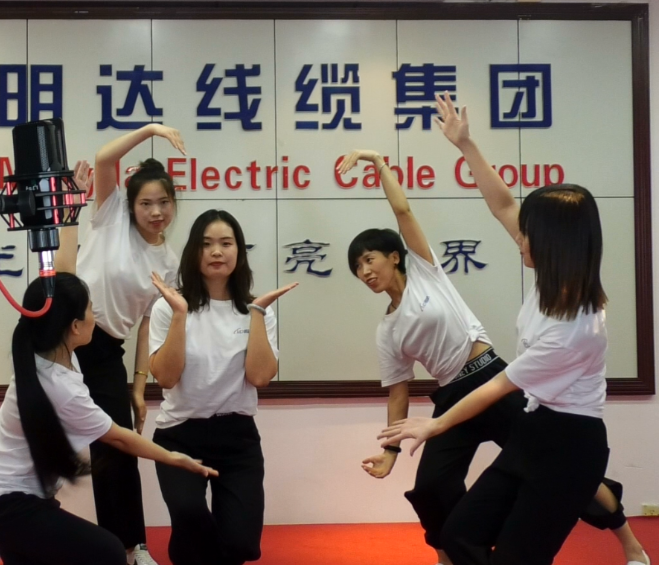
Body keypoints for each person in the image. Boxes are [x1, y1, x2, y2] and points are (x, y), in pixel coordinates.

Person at [340, 147, 646, 565]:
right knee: (431, 490)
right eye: (356, 268)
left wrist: (379, 163)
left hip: (493, 379)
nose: (365, 271)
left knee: (580, 482)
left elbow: (403, 211)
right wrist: (392, 450)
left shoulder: (427, 272)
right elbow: (398, 392)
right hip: (456, 394)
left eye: (369, 259)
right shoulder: (387, 330)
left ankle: (630, 542)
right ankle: (449, 556)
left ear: (395, 256)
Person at [0, 268, 217, 565]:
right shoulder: (60, 386)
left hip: (2, 500)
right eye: (90, 309)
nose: (94, 317)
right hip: (5, 505)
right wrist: (173, 457)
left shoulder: (50, 356)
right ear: (75, 326)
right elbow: (119, 438)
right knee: (108, 551)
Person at [58, 125, 185, 565]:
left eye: (163, 202)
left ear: (173, 203)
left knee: (118, 446)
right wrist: (151, 129)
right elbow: (104, 159)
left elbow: (148, 325)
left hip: (106, 349)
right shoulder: (111, 215)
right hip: (62, 338)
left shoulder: (169, 262)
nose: (156, 211)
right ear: (130, 204)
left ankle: (130, 545)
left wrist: (139, 386)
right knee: (36, 434)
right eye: (146, 203)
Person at [148, 209, 296, 565]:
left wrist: (257, 313)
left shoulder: (256, 310)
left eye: (226, 243)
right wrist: (180, 315)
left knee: (241, 545)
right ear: (193, 252)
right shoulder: (169, 307)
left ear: (239, 251)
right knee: (190, 518)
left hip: (237, 438)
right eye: (207, 244)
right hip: (180, 435)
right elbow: (166, 377)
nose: (217, 252)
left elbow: (260, 377)